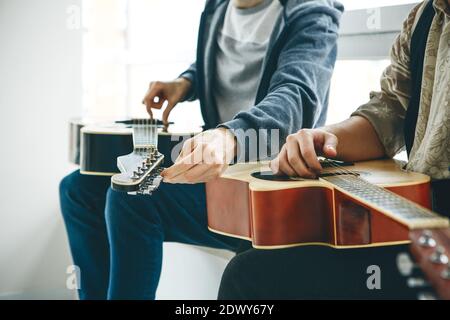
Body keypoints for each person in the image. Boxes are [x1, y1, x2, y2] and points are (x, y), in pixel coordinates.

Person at [59, 0, 343, 299]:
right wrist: (185, 83)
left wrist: (230, 136)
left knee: (132, 194)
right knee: (77, 189)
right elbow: (222, 62)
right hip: (216, 161)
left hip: (265, 183)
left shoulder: (313, 12)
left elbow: (295, 97)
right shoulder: (218, 6)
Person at [218, 0, 450, 300]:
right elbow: (390, 111)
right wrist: (323, 138)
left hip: (429, 238)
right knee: (264, 241)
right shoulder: (424, 16)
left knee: (249, 275)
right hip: (419, 218)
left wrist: (230, 137)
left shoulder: (312, 10)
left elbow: (295, 90)